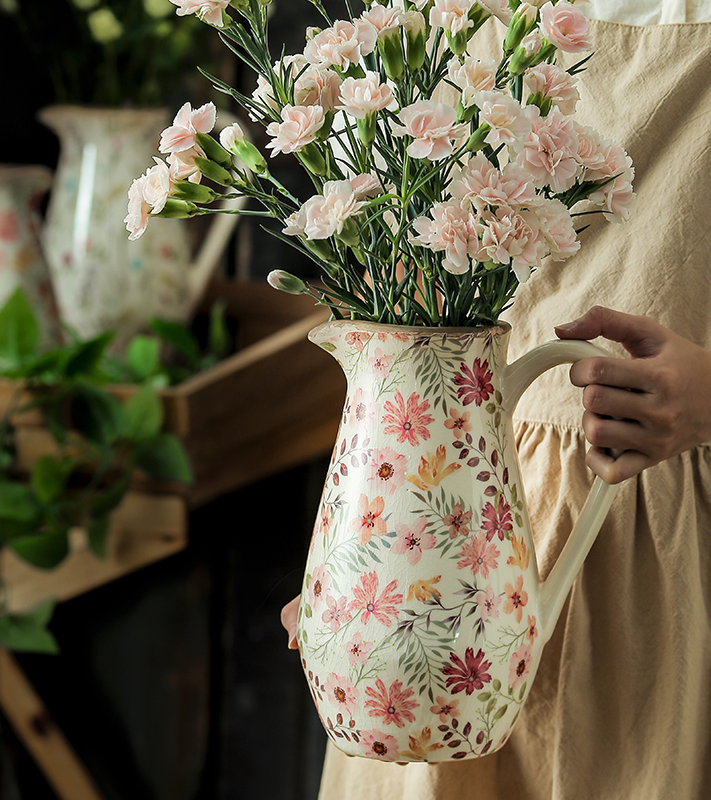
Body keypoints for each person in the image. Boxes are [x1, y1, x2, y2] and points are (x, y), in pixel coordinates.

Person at [281, 3, 711, 798]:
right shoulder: (449, 16)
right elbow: (404, 326)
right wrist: (361, 556)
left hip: (686, 571)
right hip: (458, 545)